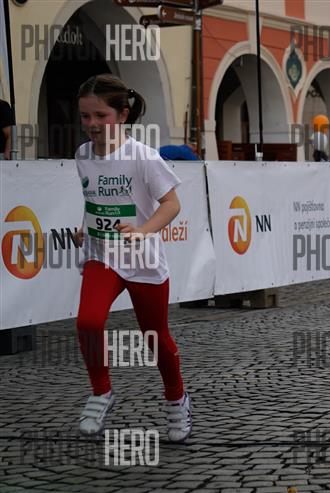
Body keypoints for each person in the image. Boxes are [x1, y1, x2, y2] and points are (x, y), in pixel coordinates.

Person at [71, 74, 192, 442]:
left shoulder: (143, 157)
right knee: (88, 322)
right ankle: (101, 392)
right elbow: (94, 200)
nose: (92, 124)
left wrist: (143, 230)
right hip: (102, 256)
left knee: (155, 337)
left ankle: (177, 399)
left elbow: (171, 204)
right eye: (85, 116)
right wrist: (84, 227)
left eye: (101, 115)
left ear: (122, 115)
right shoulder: (82, 155)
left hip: (142, 260)